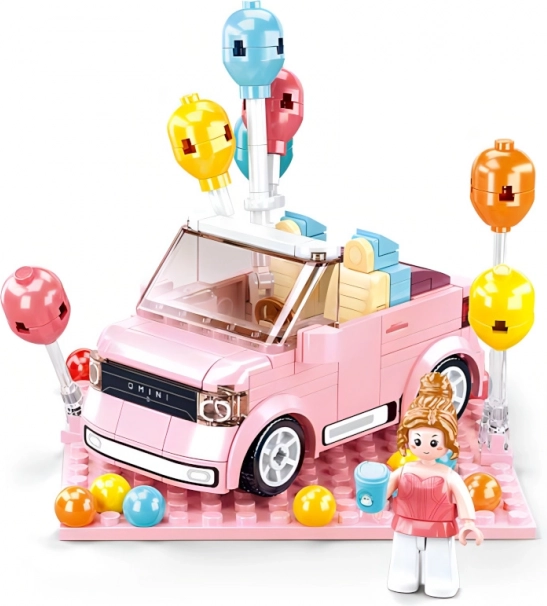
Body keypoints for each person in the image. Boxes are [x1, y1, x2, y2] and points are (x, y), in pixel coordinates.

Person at [384, 371, 483, 598]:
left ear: (448, 441)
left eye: (434, 441)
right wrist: (375, 501)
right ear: (408, 437)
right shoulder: (404, 471)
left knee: (440, 565)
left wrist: (468, 522)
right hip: (405, 527)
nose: (426, 448)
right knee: (403, 565)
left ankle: (441, 580)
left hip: (439, 529)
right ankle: (403, 576)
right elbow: (384, 493)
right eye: (418, 440)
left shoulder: (448, 476)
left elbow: (462, 497)